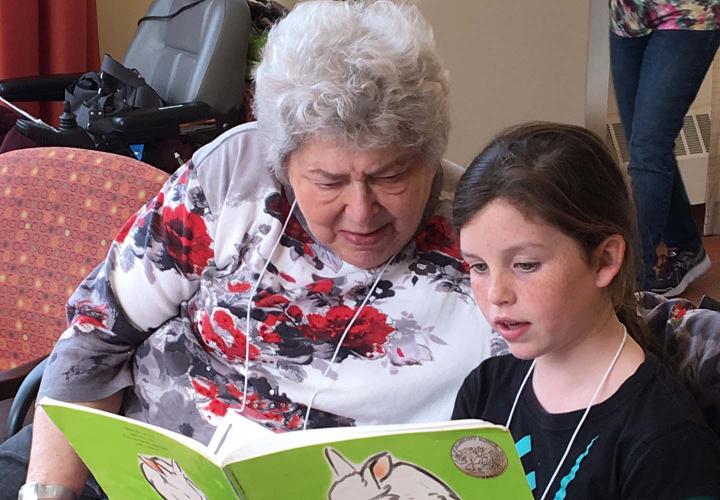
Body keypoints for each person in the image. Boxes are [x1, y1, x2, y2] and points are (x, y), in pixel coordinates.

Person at [0, 2, 496, 499]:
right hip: (131, 465)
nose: (361, 211)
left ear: (430, 158)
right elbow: (95, 336)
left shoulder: (485, 240)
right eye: (328, 181)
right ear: (281, 161)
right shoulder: (233, 176)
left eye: (391, 177)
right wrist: (48, 491)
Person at [452, 123, 720, 499]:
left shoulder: (664, 439)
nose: (496, 294)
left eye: (526, 265)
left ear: (605, 260)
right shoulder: (485, 389)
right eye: (478, 266)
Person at [609, 0, 720, 296]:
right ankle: (687, 246)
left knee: (649, 151)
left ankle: (633, 284)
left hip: (689, 15)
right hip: (628, 14)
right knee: (645, 146)